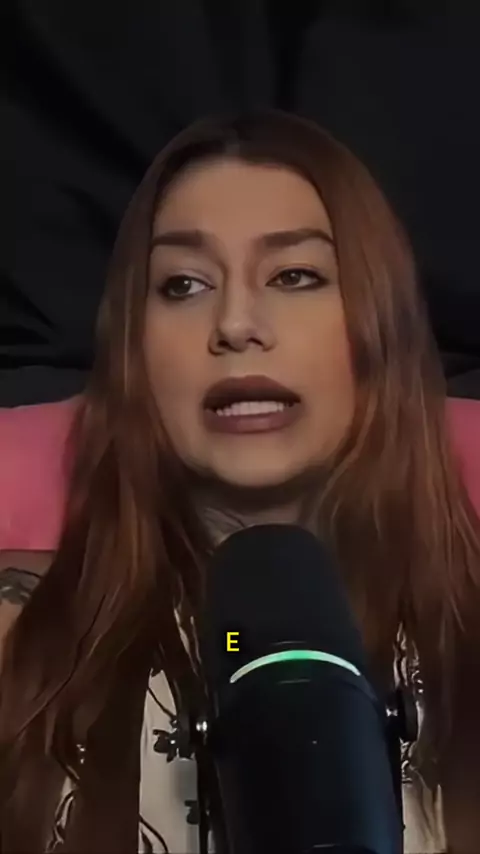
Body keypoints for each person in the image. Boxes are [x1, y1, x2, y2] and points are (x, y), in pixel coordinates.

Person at [0, 110, 479, 854]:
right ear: (133, 350)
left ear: (381, 328)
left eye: (294, 276)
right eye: (184, 283)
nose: (236, 323)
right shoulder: (17, 634)